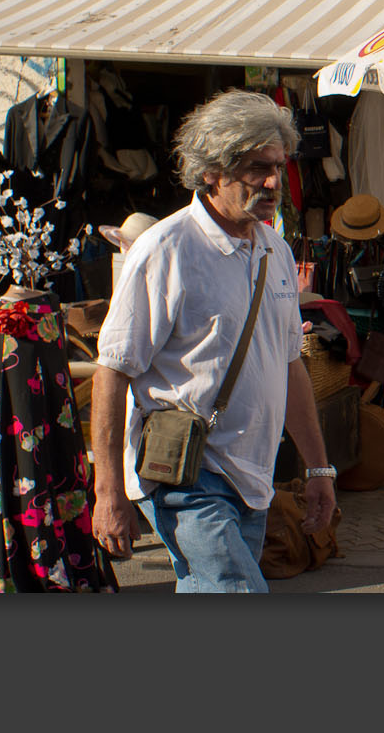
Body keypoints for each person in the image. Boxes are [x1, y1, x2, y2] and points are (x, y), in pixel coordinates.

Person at [90, 90, 336, 592]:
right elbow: (112, 372)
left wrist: (319, 468)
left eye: (277, 166)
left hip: (254, 476)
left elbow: (290, 366)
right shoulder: (167, 249)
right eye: (254, 168)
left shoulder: (276, 251)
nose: (272, 182)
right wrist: (107, 490)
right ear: (210, 172)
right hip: (186, 473)